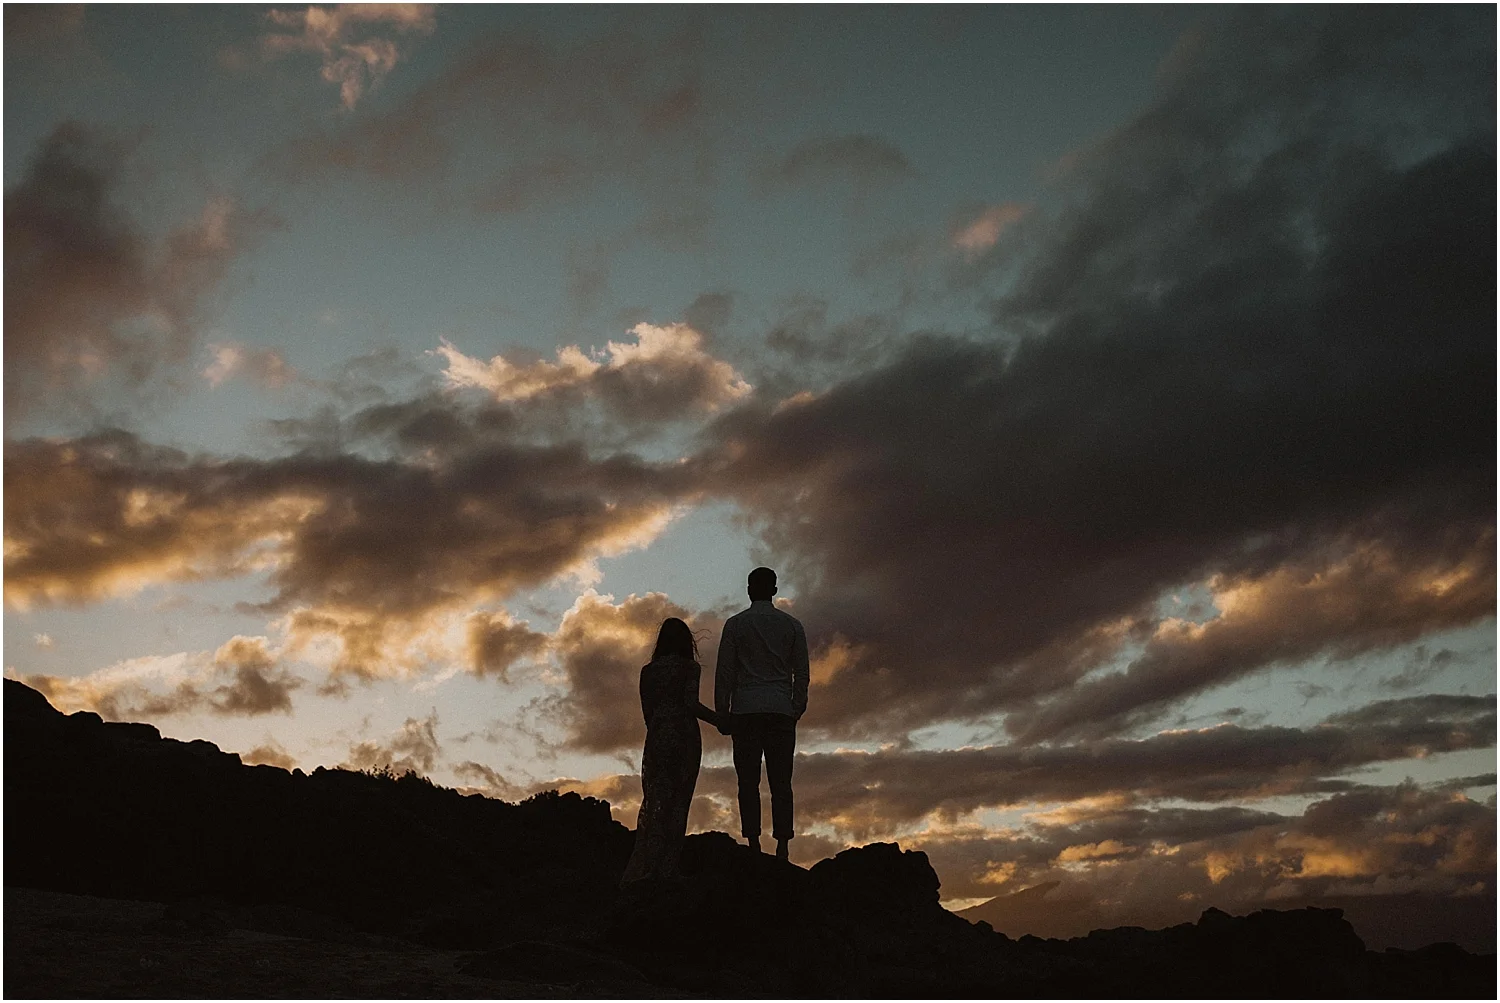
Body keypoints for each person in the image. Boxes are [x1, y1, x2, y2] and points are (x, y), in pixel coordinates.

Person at [714, 567, 809, 861]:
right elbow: (801, 672)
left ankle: (753, 841)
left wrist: (722, 711)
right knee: (781, 782)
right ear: (774, 591)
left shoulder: (735, 625)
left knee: (747, 782)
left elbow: (725, 671)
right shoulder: (792, 625)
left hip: (745, 709)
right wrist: (796, 706)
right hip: (780, 709)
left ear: (749, 589)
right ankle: (782, 846)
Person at [620, 617, 719, 885]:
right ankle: (667, 868)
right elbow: (691, 703)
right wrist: (719, 720)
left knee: (655, 801)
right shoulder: (690, 668)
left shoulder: (648, 672)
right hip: (685, 736)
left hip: (657, 736)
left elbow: (648, 712)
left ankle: (648, 865)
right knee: (678, 801)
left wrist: (659, 730)